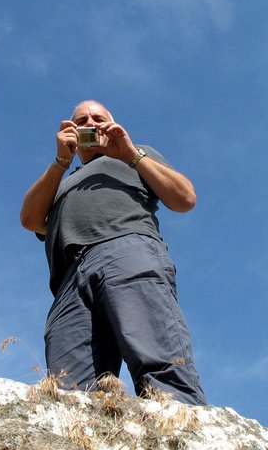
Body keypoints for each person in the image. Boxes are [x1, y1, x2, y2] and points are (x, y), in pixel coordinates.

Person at [20, 100, 206, 405]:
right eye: (81, 121)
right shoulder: (61, 182)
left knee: (157, 359)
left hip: (125, 249)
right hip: (68, 280)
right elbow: (30, 220)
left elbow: (184, 198)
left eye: (98, 118)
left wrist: (130, 153)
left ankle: (185, 431)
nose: (90, 123)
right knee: (69, 390)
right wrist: (60, 162)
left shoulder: (133, 155)